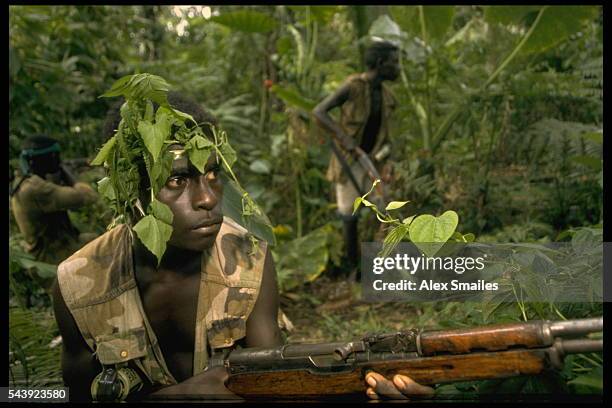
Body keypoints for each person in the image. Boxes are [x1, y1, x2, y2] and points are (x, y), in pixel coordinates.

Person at [52, 88, 430, 401]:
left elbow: (278, 384)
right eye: (176, 181)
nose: (207, 199)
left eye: (213, 174)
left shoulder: (248, 258)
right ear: (127, 189)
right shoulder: (78, 285)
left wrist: (358, 391)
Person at [313, 40, 400, 279]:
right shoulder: (353, 86)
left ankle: (384, 267)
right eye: (395, 62)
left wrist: (388, 163)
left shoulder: (388, 96)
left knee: (386, 209)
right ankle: (353, 269)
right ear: (381, 64)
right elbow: (319, 111)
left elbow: (389, 136)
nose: (398, 68)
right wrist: (344, 138)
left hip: (374, 162)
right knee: (349, 216)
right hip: (348, 162)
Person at [10, 135, 98, 286]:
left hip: (58, 247)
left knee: (99, 238)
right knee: (110, 250)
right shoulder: (34, 189)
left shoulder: (25, 182)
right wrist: (69, 175)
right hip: (52, 259)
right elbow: (88, 197)